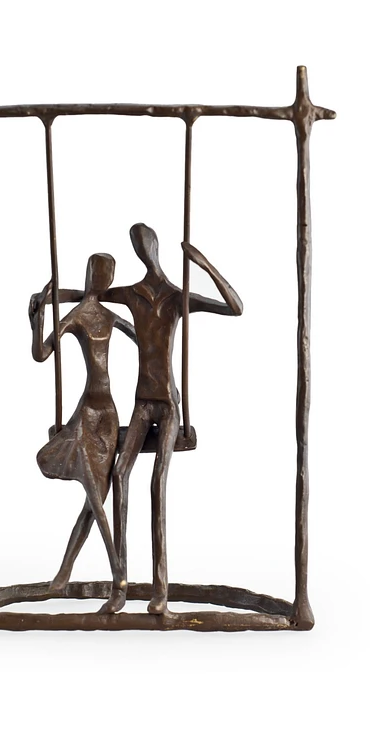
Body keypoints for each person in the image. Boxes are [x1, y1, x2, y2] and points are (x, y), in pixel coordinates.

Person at [90, 224, 244, 614]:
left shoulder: (176, 297)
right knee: (119, 475)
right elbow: (89, 296)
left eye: (144, 243)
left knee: (157, 484)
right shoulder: (132, 294)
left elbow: (234, 306)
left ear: (156, 248)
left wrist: (204, 264)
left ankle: (160, 591)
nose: (141, 250)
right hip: (142, 402)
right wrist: (48, 299)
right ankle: (120, 586)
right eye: (136, 245)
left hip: (168, 404)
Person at [30, 253, 137, 610]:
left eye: (109, 274)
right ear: (90, 274)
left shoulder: (110, 316)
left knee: (95, 503)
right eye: (99, 271)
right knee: (94, 494)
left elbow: (148, 340)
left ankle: (63, 573)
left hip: (108, 414)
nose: (104, 278)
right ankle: (118, 574)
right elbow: (42, 354)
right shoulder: (76, 316)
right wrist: (37, 321)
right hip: (87, 413)